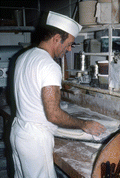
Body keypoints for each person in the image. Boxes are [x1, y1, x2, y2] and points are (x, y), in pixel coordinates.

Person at [10, 11, 106, 178]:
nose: (69, 49)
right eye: (68, 44)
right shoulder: (49, 65)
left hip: (19, 131)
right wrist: (84, 124)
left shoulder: (24, 57)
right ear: (56, 39)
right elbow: (53, 114)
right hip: (35, 140)